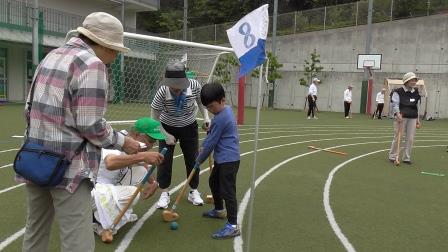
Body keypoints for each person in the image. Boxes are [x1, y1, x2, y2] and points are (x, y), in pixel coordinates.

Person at [17, 12, 146, 252]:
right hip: (69, 167)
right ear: (102, 43)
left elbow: (28, 109)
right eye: (115, 49)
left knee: (35, 231)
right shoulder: (92, 64)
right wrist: (123, 141)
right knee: (78, 241)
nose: (116, 56)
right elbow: (91, 126)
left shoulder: (50, 57)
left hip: (34, 160)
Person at [92, 117, 165, 239]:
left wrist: (153, 182)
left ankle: (108, 213)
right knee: (133, 194)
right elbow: (110, 163)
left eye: (155, 142)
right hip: (92, 190)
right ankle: (96, 221)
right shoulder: (117, 141)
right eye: (151, 140)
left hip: (108, 187)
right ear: (137, 135)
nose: (152, 145)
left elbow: (143, 164)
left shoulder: (134, 144)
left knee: (141, 171)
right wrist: (142, 156)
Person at [151, 61, 211, 209]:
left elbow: (202, 103)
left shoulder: (195, 86)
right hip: (167, 126)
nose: (177, 90)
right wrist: (165, 135)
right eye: (174, 86)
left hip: (189, 126)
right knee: (164, 161)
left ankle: (193, 191)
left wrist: (206, 118)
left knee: (193, 159)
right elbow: (154, 118)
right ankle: (164, 193)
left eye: (180, 86)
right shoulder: (162, 91)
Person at [197, 82, 240, 239]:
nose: (210, 110)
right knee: (214, 182)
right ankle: (219, 210)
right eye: (207, 108)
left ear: (222, 100)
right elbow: (216, 131)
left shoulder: (221, 118)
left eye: (212, 107)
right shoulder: (225, 111)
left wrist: (198, 161)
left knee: (228, 191)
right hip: (224, 159)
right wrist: (211, 128)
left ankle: (233, 226)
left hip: (229, 160)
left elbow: (210, 143)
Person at [388, 72, 421, 165]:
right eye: (412, 80)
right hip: (401, 117)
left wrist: (418, 119)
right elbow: (395, 104)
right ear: (406, 81)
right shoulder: (397, 92)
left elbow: (418, 106)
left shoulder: (416, 92)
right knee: (398, 137)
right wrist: (397, 113)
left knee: (410, 138)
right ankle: (393, 156)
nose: (414, 82)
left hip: (413, 117)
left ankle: (406, 157)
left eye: (415, 80)